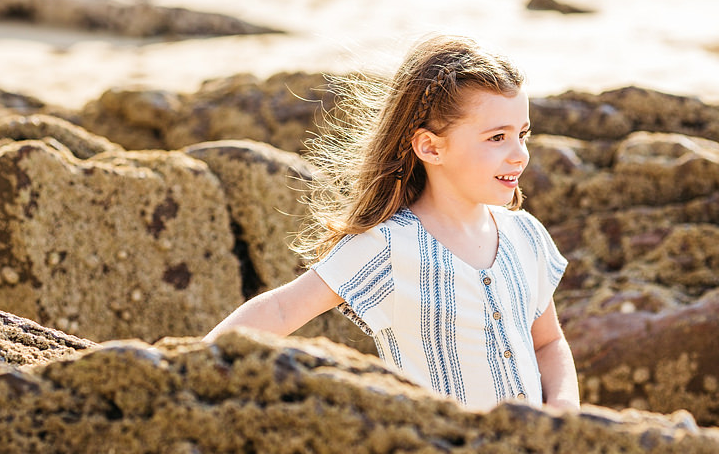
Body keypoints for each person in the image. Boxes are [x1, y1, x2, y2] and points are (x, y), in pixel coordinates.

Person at [204, 34, 580, 412]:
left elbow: (547, 343)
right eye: (497, 137)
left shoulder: (525, 234)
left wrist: (565, 410)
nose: (520, 155)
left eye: (522, 135)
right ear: (431, 147)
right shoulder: (388, 245)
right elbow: (284, 309)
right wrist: (187, 369)